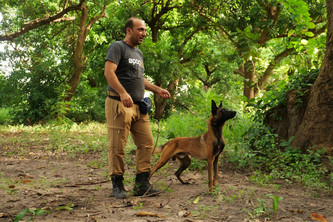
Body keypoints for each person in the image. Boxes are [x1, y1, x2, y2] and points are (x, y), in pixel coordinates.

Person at [104, 17, 171, 199]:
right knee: (117, 146)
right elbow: (109, 72)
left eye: (145, 30)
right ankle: (117, 186)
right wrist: (123, 93)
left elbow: (140, 79)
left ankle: (142, 184)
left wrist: (158, 89)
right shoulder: (118, 47)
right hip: (119, 104)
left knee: (147, 144)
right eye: (140, 29)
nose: (144, 33)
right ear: (129, 30)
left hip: (139, 107)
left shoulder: (138, 54)